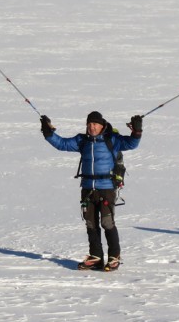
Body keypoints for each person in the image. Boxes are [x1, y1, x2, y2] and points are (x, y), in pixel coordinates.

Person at [41, 110, 142, 271]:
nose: (91, 127)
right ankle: (96, 257)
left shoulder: (112, 139)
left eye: (94, 124)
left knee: (107, 223)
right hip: (87, 188)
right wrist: (47, 132)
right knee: (91, 224)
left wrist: (137, 131)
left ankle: (114, 257)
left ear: (102, 126)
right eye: (89, 124)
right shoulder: (82, 140)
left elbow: (131, 144)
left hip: (106, 188)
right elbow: (62, 144)